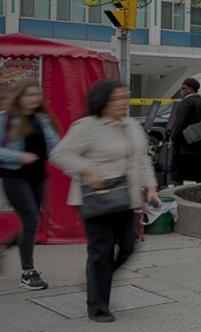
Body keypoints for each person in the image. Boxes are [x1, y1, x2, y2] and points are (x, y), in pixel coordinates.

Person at [51, 79, 160, 323]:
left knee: (129, 246)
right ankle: (98, 307)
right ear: (102, 101)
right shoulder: (88, 125)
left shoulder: (132, 125)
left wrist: (151, 187)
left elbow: (141, 159)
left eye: (125, 97)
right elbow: (60, 153)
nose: (123, 103)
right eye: (117, 99)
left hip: (124, 197)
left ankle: (97, 280)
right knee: (101, 252)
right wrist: (88, 169)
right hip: (96, 198)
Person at [0, 79, 61, 290]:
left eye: (37, 94)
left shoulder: (43, 119)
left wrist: (78, 171)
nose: (35, 98)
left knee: (31, 222)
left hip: (38, 178)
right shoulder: (6, 119)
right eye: (30, 95)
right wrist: (18, 156)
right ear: (19, 97)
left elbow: (56, 149)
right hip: (14, 177)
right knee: (31, 221)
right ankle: (28, 273)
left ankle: (2, 249)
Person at [167, 78, 201, 186]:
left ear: (191, 89)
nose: (181, 91)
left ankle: (178, 194)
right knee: (197, 172)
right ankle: (198, 192)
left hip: (184, 144)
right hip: (199, 143)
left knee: (179, 172)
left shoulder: (186, 103)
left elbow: (179, 123)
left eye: (183, 88)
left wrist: (172, 139)